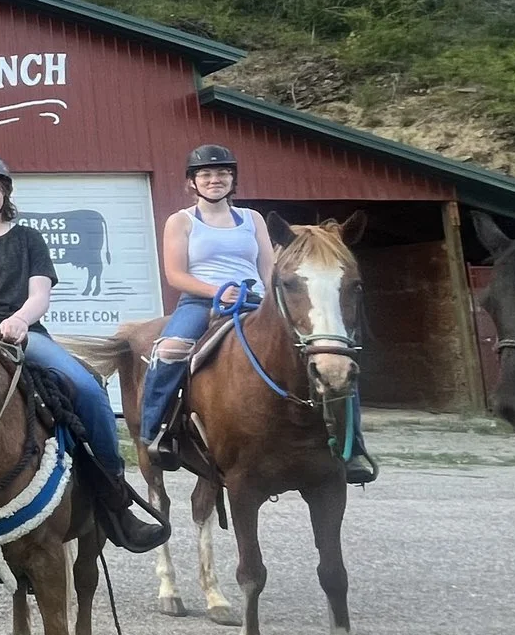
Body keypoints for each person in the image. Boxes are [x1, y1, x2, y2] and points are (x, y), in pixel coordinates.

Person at [0, 150, 167, 552]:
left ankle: (113, 496)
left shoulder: (28, 239)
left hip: (25, 333)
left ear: (5, 191)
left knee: (88, 389)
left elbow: (40, 294)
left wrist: (21, 320)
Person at [140, 142, 377, 485]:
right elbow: (175, 275)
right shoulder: (181, 222)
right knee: (169, 351)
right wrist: (217, 290)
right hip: (202, 302)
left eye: (222, 173)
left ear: (232, 179)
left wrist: (270, 298)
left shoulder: (252, 220)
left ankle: (353, 446)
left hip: (256, 300)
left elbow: (269, 267)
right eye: (205, 174)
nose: (214, 179)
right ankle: (157, 431)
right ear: (192, 182)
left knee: (332, 353)